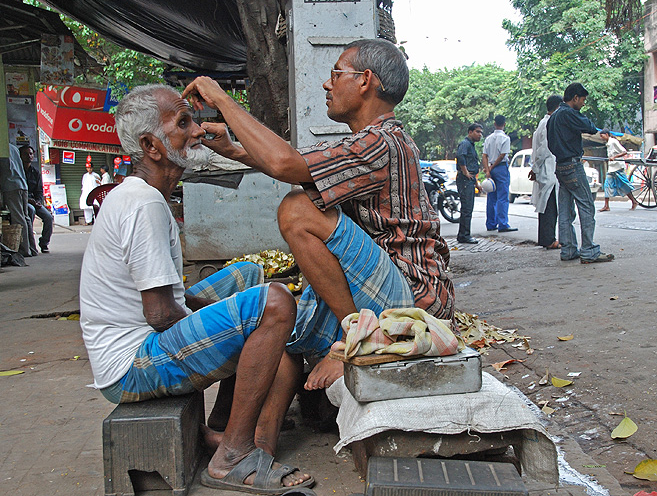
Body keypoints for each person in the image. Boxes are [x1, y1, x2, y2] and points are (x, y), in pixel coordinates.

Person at [182, 38, 454, 391]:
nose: (327, 84)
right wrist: (234, 150)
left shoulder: (381, 142)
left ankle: (355, 340)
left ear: (365, 80)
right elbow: (299, 163)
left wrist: (221, 99)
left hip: (413, 296)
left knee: (296, 209)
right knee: (280, 317)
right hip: (390, 289)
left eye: (335, 74)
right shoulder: (373, 140)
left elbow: (284, 164)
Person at [79, 84, 313, 494]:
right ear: (152, 145)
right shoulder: (144, 205)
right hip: (131, 366)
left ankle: (224, 424)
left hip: (136, 347)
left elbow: (169, 293)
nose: (197, 131)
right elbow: (161, 315)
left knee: (245, 276)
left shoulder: (142, 195)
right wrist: (230, 325)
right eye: (183, 123)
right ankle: (233, 456)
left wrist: (226, 316)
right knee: (274, 304)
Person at [547, 82, 614, 264]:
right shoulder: (568, 113)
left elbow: (551, 144)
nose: (583, 103)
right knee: (587, 206)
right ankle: (589, 251)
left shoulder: (553, 117)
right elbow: (589, 127)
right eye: (583, 100)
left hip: (560, 166)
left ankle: (568, 250)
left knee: (566, 211)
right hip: (572, 165)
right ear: (575, 98)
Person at [529, 95, 562, 249]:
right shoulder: (550, 123)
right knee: (549, 207)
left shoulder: (543, 123)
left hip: (545, 169)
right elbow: (543, 150)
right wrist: (535, 168)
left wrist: (534, 168)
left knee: (546, 206)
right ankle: (549, 239)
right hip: (548, 170)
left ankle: (546, 238)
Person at [482, 115, 517, 233]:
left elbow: (484, 155)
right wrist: (492, 167)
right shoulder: (505, 138)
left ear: (494, 123)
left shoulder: (488, 138)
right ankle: (503, 224)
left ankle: (491, 223)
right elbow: (502, 155)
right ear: (504, 124)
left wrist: (487, 169)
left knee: (491, 197)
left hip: (491, 168)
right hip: (500, 168)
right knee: (502, 197)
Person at [1, 144, 33, 257]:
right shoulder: (13, 147)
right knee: (26, 217)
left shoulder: (2, 148)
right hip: (22, 185)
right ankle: (32, 248)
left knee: (18, 218)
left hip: (11, 186)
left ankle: (24, 250)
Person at [20, 145, 53, 253]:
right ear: (20, 156)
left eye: (31, 153)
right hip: (23, 201)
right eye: (26, 154)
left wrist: (38, 202)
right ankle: (30, 245)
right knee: (31, 211)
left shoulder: (35, 172)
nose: (29, 156)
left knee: (48, 217)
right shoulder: (18, 171)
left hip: (34, 201)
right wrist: (29, 201)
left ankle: (44, 243)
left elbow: (39, 191)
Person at [455, 123, 483, 243]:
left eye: (481, 132)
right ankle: (464, 235)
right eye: (477, 132)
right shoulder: (465, 144)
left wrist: (475, 182)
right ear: (470, 132)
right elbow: (460, 156)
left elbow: (472, 164)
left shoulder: (471, 145)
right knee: (466, 209)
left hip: (469, 180)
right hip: (464, 179)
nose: (480, 135)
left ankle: (464, 234)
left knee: (468, 208)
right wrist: (465, 172)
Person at [598, 130, 638, 212]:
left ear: (606, 134)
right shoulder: (608, 143)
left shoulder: (613, 142)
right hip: (612, 168)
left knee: (623, 185)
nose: (601, 138)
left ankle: (634, 201)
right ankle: (606, 206)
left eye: (602, 136)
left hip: (618, 167)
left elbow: (624, 152)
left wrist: (614, 157)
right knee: (607, 185)